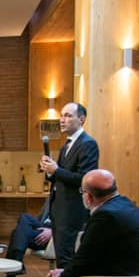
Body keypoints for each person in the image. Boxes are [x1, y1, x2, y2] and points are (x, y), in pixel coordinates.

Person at [39, 102, 99, 267]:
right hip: (59, 210)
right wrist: (49, 171)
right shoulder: (66, 145)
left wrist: (56, 170)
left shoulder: (87, 144)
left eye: (68, 116)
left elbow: (85, 179)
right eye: (62, 115)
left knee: (67, 259)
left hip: (72, 211)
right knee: (61, 258)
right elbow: (59, 177)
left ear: (81, 119)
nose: (62, 120)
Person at [4, 198, 53, 277]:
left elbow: (70, 227)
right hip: (42, 227)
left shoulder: (69, 201)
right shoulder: (52, 197)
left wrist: (52, 232)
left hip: (53, 234)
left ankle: (14, 268)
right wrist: (27, 227)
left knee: (17, 231)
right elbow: (39, 217)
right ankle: (15, 265)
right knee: (22, 222)